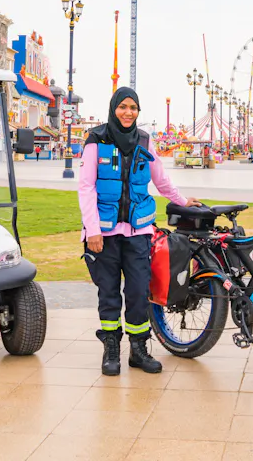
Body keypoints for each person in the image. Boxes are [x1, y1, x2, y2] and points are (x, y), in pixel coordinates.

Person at [79, 87, 201, 376]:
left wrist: (182, 201)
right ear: (113, 109)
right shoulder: (96, 139)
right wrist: (93, 230)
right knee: (109, 293)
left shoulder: (145, 140)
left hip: (138, 233)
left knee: (138, 292)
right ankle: (111, 349)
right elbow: (86, 187)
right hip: (104, 235)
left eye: (133, 107)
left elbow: (161, 180)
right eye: (123, 107)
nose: (128, 112)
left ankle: (138, 350)